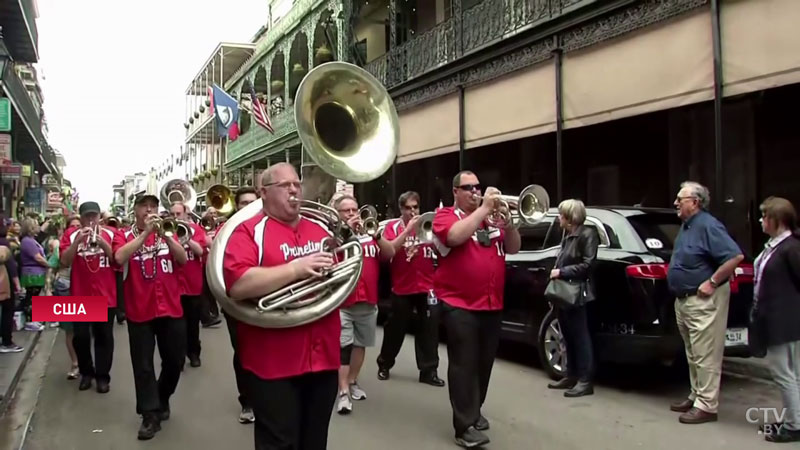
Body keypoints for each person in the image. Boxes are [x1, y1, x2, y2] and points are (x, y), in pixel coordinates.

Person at [223, 163, 338, 450]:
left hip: (323, 355)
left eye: (297, 184)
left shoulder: (320, 228)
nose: (294, 190)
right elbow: (239, 284)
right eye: (284, 186)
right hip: (272, 362)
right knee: (279, 442)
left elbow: (339, 276)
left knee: (315, 442)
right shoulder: (247, 231)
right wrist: (296, 269)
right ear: (264, 192)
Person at [432, 170, 521, 448]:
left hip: (491, 303)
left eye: (477, 186)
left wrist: (510, 223)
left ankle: (474, 410)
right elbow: (454, 238)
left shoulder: (492, 218)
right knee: (463, 364)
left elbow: (514, 248)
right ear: (455, 191)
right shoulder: (446, 215)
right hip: (459, 303)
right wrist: (483, 209)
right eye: (468, 187)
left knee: (484, 362)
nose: (474, 191)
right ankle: (463, 426)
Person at [667, 181, 744, 424]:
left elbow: (734, 256)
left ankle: (707, 405)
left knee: (706, 355)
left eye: (681, 199)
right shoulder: (687, 226)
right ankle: (697, 395)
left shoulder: (709, 226)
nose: (676, 203)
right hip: (685, 300)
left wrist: (712, 281)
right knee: (693, 353)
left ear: (695, 202)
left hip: (703, 301)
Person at [113, 193, 188, 440]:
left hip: (170, 307)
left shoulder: (168, 232)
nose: (149, 210)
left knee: (175, 361)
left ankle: (161, 396)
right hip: (140, 310)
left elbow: (183, 259)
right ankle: (149, 415)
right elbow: (119, 257)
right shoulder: (124, 236)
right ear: (135, 211)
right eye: (144, 206)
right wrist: (145, 234)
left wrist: (166, 236)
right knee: (143, 365)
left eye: (153, 206)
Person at [333, 194, 394, 415]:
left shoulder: (370, 234)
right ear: (338, 214)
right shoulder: (334, 237)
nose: (352, 214)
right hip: (343, 301)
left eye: (354, 210)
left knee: (360, 344)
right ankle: (342, 392)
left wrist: (377, 236)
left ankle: (351, 381)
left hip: (367, 301)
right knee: (343, 347)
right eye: (346, 211)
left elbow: (389, 254)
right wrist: (345, 233)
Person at [376, 190, 444, 387]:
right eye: (408, 208)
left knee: (429, 330)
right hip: (402, 286)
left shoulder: (427, 224)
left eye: (415, 207)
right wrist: (407, 234)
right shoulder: (392, 227)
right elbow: (387, 251)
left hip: (427, 285)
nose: (412, 211)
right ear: (401, 209)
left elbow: (439, 249)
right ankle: (385, 364)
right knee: (395, 329)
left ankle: (428, 371)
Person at [751, 197, 800, 443]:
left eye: (764, 216)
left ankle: (794, 426)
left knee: (785, 374)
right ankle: (795, 418)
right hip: (776, 319)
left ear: (776, 220)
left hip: (786, 321)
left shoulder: (791, 247)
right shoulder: (774, 245)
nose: (761, 220)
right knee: (792, 374)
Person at [61, 202, 119, 393]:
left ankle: (103, 377)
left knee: (104, 337)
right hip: (81, 294)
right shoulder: (71, 235)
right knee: (81, 337)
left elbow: (117, 260)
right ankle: (87, 372)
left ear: (99, 218)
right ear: (81, 217)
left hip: (105, 295)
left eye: (94, 216)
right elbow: (64, 261)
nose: (91, 220)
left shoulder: (110, 233)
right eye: (87, 217)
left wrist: (104, 244)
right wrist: (77, 242)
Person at [546, 199, 599, 397]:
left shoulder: (587, 234)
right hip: (564, 294)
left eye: (561, 215)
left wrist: (561, 271)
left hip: (578, 293)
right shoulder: (567, 236)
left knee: (580, 336)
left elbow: (588, 264)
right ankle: (572, 374)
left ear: (569, 217)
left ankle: (585, 380)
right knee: (566, 334)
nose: (559, 218)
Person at [220, 186, 258, 424]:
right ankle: (247, 401)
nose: (249, 206)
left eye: (253, 202)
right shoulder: (226, 230)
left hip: (268, 299)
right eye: (243, 203)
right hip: (237, 302)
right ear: (237, 206)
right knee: (243, 351)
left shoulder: (271, 225)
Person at [53, 215, 82, 378]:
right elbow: (60, 262)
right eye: (73, 226)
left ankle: (87, 363)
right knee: (69, 330)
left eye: (79, 225)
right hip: (66, 286)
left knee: (86, 331)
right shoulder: (60, 243)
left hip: (84, 287)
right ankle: (75, 363)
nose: (76, 228)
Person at [18, 218, 48, 331]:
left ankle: (34, 319)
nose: (38, 227)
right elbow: (37, 257)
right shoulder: (27, 241)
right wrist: (49, 264)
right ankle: (30, 321)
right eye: (36, 225)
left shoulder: (31, 240)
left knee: (35, 296)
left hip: (37, 273)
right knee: (32, 297)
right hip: (32, 273)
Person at [0, 223, 23, 353]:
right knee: (8, 310)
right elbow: (11, 266)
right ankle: (7, 342)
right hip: (4, 283)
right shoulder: (4, 242)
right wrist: (17, 284)